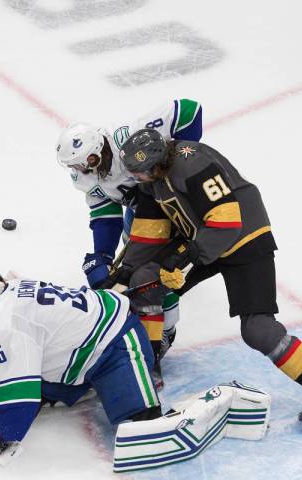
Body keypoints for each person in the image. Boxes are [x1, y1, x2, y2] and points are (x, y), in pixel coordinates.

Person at [113, 128, 302, 429]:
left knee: (257, 329)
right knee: (145, 281)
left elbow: (226, 221)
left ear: (155, 164)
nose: (136, 179)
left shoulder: (191, 161)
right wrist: (122, 273)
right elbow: (149, 234)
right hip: (204, 238)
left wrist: (184, 259)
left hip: (244, 238)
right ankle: (148, 366)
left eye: (139, 173)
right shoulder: (153, 182)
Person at [0, 269, 162, 464]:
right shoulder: (17, 285)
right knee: (43, 362)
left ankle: (149, 417)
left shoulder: (10, 323)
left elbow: (20, 397)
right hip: (90, 338)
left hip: (118, 339)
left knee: (140, 421)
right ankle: (75, 387)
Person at [55, 99, 203, 386]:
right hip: (140, 217)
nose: (83, 170)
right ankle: (145, 330)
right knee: (128, 278)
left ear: (99, 148)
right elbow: (105, 214)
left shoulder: (128, 138)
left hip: (173, 207)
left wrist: (186, 161)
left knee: (153, 277)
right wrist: (103, 256)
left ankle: (163, 335)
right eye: (75, 166)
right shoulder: (84, 177)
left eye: (85, 162)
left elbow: (188, 110)